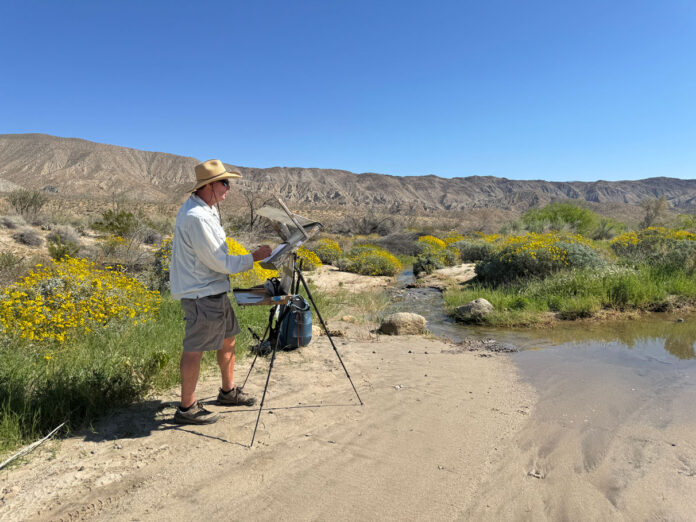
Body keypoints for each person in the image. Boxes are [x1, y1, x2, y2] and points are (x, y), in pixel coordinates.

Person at [169, 159, 272, 425]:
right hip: (202, 294)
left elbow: (219, 257)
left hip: (213, 290)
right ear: (209, 185)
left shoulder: (205, 210)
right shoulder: (197, 217)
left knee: (228, 340)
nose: (229, 188)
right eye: (225, 182)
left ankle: (228, 391)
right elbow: (220, 261)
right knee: (195, 349)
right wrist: (254, 258)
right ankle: (187, 408)